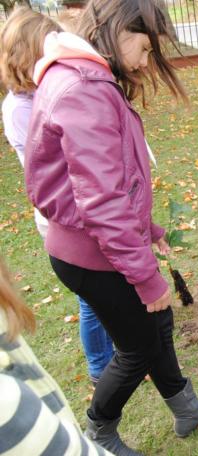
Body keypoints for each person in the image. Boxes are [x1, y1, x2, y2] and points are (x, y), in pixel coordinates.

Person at [23, 1, 198, 454]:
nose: (144, 62)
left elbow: (105, 182)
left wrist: (148, 227)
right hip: (93, 255)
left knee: (158, 324)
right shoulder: (84, 88)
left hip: (99, 245)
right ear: (120, 29)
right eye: (145, 47)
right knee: (137, 348)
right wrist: (145, 276)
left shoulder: (83, 77)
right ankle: (99, 429)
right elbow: (101, 201)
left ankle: (186, 408)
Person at [0, 6, 114, 386]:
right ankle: (101, 368)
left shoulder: (44, 92)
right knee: (91, 298)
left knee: (103, 291)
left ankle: (114, 356)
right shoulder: (20, 108)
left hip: (83, 206)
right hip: (62, 216)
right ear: (26, 52)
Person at [0, 256, 112, 455]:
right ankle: (100, 372)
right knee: (92, 303)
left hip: (55, 424)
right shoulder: (7, 400)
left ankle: (105, 364)